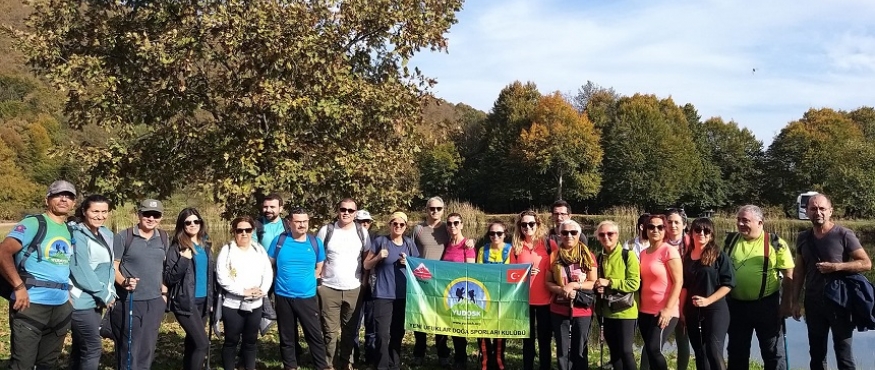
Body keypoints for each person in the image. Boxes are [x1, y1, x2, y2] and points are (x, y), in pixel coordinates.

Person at [0, 180, 77, 370]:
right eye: (58, 195)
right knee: (22, 365)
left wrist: (67, 295)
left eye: (69, 196)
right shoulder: (34, 223)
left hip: (60, 307)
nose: (64, 199)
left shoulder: (68, 230)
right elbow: (3, 252)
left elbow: (62, 265)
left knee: (48, 364)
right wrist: (18, 287)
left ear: (74, 203)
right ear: (47, 199)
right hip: (31, 304)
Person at [789, 194, 872, 370]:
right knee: (817, 354)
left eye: (822, 209)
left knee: (843, 354)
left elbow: (866, 263)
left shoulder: (844, 234)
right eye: (813, 209)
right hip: (812, 303)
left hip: (839, 303)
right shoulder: (803, 237)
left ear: (830, 211)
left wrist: (837, 267)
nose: (817, 212)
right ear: (807, 211)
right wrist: (794, 301)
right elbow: (799, 272)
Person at [725, 205, 794, 370]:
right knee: (736, 352)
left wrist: (786, 303)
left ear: (760, 222)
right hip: (736, 306)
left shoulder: (776, 242)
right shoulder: (731, 240)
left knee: (773, 353)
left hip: (766, 305)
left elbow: (789, 274)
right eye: (739, 220)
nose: (741, 224)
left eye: (746, 220)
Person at [411, 196, 473, 365]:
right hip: (422, 281)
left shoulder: (448, 228)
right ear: (427, 209)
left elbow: (459, 241)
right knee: (420, 318)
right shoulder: (418, 229)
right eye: (432, 208)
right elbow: (410, 250)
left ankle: (443, 353)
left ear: (443, 210)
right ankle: (419, 352)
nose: (435, 211)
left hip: (444, 284)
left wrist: (470, 242)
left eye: (439, 208)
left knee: (442, 320)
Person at [268, 208, 331, 370]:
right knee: (287, 337)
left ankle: (322, 366)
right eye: (298, 221)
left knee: (315, 335)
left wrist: (308, 281)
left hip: (307, 297)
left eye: (305, 221)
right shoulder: (279, 241)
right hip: (283, 296)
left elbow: (319, 268)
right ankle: (290, 366)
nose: (302, 225)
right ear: (290, 223)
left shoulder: (315, 243)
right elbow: (269, 265)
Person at [112, 199, 171, 370]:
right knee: (129, 348)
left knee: (147, 348)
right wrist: (123, 282)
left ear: (161, 217)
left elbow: (166, 268)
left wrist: (164, 295)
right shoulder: (124, 236)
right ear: (139, 214)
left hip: (154, 302)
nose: (151, 218)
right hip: (129, 300)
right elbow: (113, 267)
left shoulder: (164, 238)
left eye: (156, 215)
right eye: (147, 214)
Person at [316, 198, 371, 370]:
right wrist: (318, 283)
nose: (346, 213)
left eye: (351, 210)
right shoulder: (326, 231)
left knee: (350, 331)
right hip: (328, 288)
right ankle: (329, 364)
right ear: (337, 210)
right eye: (343, 209)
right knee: (329, 332)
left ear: (355, 213)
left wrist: (364, 282)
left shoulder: (362, 232)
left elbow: (367, 259)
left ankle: (347, 362)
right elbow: (317, 258)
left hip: (353, 289)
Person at [216, 216, 274, 370]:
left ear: (252, 231)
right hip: (233, 305)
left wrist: (263, 290)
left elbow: (267, 272)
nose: (244, 233)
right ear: (234, 231)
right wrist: (243, 291)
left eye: (247, 230)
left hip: (255, 304)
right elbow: (222, 277)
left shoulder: (258, 249)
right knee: (231, 341)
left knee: (250, 341)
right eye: (239, 230)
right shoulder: (227, 250)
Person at [364, 211, 419, 370]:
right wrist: (378, 257)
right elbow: (366, 265)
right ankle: (381, 365)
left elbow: (418, 269)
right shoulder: (381, 241)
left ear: (406, 227)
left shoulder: (409, 244)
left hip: (402, 296)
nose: (398, 227)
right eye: (395, 223)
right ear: (390, 225)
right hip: (382, 295)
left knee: (397, 334)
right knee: (382, 334)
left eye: (402, 224)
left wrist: (408, 262)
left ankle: (394, 365)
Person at [68, 194, 116, 370]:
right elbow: (81, 271)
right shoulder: (77, 235)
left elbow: (110, 267)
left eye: (104, 211)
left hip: (96, 302)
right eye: (95, 211)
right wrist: (104, 294)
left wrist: (111, 291)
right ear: (84, 211)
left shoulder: (106, 233)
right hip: (80, 301)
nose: (100, 215)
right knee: (92, 348)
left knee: (80, 348)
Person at [164, 208, 214, 370]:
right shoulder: (176, 248)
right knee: (202, 344)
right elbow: (169, 278)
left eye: (196, 221)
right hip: (185, 302)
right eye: (188, 222)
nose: (192, 225)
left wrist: (211, 301)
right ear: (182, 225)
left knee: (192, 343)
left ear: (200, 223)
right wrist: (183, 260)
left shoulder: (206, 246)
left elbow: (209, 276)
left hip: (204, 302)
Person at [682, 217, 734, 370]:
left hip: (716, 309)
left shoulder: (719, 255)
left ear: (711, 235)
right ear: (691, 233)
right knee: (700, 353)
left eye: (706, 231)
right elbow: (684, 286)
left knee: (713, 350)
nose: (701, 234)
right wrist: (682, 312)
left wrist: (707, 301)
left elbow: (728, 284)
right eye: (697, 230)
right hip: (692, 311)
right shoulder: (687, 257)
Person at [545, 220, 597, 370]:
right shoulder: (554, 255)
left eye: (573, 232)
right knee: (562, 349)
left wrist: (574, 285)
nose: (569, 235)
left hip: (582, 309)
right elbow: (548, 282)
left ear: (579, 234)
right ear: (560, 235)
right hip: (559, 308)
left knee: (579, 348)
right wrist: (561, 290)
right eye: (565, 232)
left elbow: (593, 282)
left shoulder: (588, 256)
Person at [509, 210, 557, 370]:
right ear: (519, 226)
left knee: (544, 340)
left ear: (538, 225)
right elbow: (510, 276)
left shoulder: (549, 245)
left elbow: (557, 271)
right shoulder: (515, 247)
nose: (527, 227)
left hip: (546, 300)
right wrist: (524, 273)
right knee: (527, 340)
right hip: (524, 300)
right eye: (524, 224)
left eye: (531, 224)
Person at [638, 214, 682, 370]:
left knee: (653, 348)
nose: (655, 230)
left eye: (660, 227)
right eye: (651, 226)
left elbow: (678, 282)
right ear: (646, 229)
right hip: (644, 311)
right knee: (650, 350)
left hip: (663, 311)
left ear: (665, 230)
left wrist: (668, 310)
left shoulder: (669, 251)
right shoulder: (643, 253)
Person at [594, 220, 640, 370]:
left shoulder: (629, 255)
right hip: (606, 311)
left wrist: (609, 283)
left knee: (626, 352)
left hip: (625, 311)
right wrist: (598, 287)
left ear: (617, 235)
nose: (606, 237)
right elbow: (598, 283)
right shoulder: (599, 257)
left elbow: (634, 284)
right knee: (614, 353)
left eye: (610, 233)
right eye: (602, 234)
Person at [436, 212, 475, 369]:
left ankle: (460, 359)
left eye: (456, 223)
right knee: (441, 326)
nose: (453, 226)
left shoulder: (468, 245)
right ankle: (443, 356)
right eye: (450, 223)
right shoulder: (446, 244)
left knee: (458, 329)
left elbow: (471, 271)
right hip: (445, 292)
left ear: (462, 225)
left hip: (460, 293)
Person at [476, 221, 512, 370]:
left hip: (502, 295)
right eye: (492, 233)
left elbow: (511, 273)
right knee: (482, 328)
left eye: (499, 233)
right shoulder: (482, 250)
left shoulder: (510, 250)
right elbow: (477, 272)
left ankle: (498, 360)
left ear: (505, 234)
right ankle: (485, 360)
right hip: (484, 295)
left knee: (499, 328)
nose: (495, 236)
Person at [659, 208, 690, 370]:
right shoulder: (659, 242)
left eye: (676, 222)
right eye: (669, 222)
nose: (673, 225)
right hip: (663, 298)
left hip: (686, 297)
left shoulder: (692, 244)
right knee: (656, 340)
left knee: (682, 337)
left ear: (684, 225)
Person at [352, 209, 377, 366]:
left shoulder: (377, 240)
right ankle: (352, 357)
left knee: (371, 325)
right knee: (353, 325)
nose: (364, 224)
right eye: (361, 221)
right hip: (354, 286)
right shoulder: (349, 238)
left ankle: (371, 357)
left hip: (372, 287)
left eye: (367, 221)